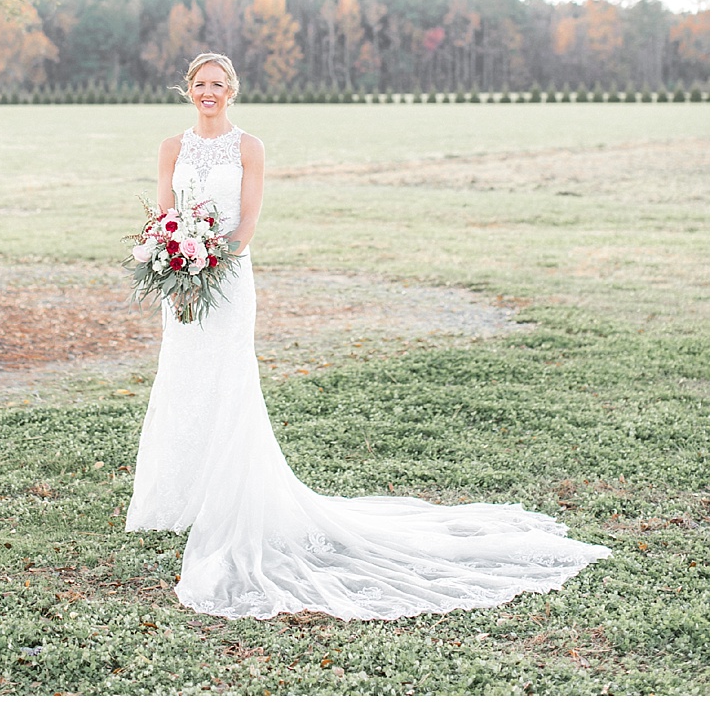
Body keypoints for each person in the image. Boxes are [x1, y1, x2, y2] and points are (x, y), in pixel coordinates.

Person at [125, 52, 609, 619]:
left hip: (228, 281)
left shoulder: (249, 147)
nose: (209, 92)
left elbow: (249, 220)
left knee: (229, 380)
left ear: (232, 90)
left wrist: (211, 265)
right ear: (188, 90)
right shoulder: (171, 147)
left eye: (218, 84)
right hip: (181, 283)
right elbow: (164, 213)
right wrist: (176, 269)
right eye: (200, 84)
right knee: (182, 377)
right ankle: (178, 497)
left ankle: (228, 497)